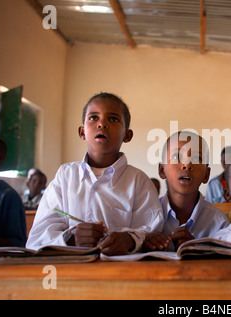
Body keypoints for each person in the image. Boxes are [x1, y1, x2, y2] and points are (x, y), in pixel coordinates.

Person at [26, 92, 163, 255]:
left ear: (127, 135)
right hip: (70, 273)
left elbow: (153, 232)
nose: (102, 124)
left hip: (121, 272)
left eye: (113, 119)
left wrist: (130, 240)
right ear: (82, 132)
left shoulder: (138, 181)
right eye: (93, 118)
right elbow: (36, 239)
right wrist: (71, 239)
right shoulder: (65, 177)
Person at [143, 131, 230, 252]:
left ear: (206, 174)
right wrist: (141, 245)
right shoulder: (145, 218)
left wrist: (199, 251)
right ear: (162, 170)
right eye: (176, 156)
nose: (187, 164)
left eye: (196, 158)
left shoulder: (219, 224)